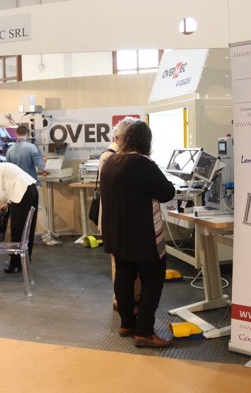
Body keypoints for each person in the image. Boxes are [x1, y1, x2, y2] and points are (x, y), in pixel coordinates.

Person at [100, 120, 175, 348]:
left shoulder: (110, 161)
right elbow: (167, 192)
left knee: (124, 276)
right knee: (153, 279)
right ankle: (144, 332)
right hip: (142, 235)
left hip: (117, 234)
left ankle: (127, 324)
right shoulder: (143, 163)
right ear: (146, 141)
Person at [98, 116, 140, 312]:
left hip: (118, 217)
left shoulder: (118, 156)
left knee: (124, 263)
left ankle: (130, 298)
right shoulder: (110, 157)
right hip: (115, 218)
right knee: (120, 263)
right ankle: (121, 300)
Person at [0, 145, 39, 273]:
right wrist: (9, 202)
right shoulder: (1, 166)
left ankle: (15, 263)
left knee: (17, 230)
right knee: (26, 230)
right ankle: (23, 262)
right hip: (30, 191)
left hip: (24, 194)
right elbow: (8, 188)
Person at [6, 124, 62, 246]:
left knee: (19, 214)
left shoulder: (10, 150)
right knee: (40, 210)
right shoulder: (31, 147)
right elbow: (40, 166)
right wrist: (44, 160)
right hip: (32, 185)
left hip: (16, 188)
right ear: (27, 134)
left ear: (16, 134)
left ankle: (21, 240)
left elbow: (8, 170)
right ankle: (47, 238)